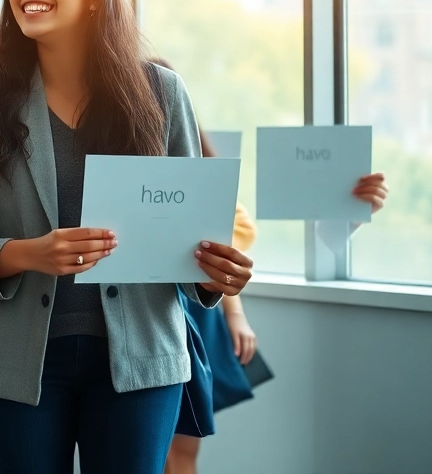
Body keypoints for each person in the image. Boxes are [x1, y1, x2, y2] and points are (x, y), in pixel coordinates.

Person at [0, 0, 255, 474]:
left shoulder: (160, 94)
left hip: (141, 359)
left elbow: (188, 235)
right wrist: (27, 253)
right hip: (15, 363)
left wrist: (216, 275)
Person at [151, 65, 390, 474]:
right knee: (144, 445)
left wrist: (235, 314)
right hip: (143, 317)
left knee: (181, 448)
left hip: (194, 317)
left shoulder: (207, 185)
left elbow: (215, 253)